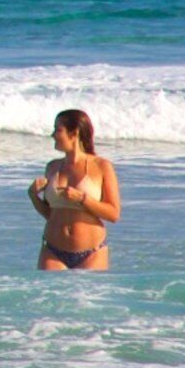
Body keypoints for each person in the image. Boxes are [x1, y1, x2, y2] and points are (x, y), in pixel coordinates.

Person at [31, 108, 121, 270]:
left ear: (75, 133)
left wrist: (82, 198)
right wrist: (33, 196)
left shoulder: (102, 166)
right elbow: (51, 214)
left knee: (88, 296)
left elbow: (113, 214)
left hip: (92, 253)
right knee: (49, 295)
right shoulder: (52, 167)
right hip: (53, 251)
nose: (53, 135)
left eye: (58, 130)